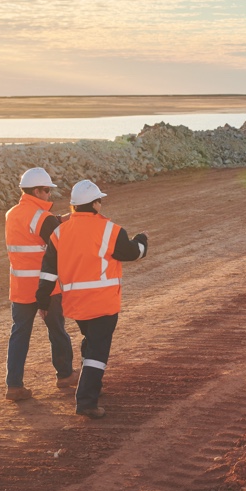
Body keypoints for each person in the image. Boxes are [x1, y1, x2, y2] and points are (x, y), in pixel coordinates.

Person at [36, 179, 149, 418]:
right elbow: (131, 253)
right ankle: (86, 400)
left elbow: (48, 271)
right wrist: (142, 241)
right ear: (95, 204)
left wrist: (43, 299)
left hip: (76, 305)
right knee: (98, 350)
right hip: (103, 303)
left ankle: (92, 384)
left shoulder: (59, 233)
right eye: (100, 200)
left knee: (91, 340)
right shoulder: (111, 230)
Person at [4, 167, 77, 401]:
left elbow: (36, 229)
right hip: (45, 286)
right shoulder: (41, 217)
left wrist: (60, 219)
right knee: (57, 330)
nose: (49, 195)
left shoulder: (12, 213)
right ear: (37, 191)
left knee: (19, 334)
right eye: (46, 190)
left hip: (20, 287)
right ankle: (65, 375)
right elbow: (59, 240)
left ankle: (14, 385)